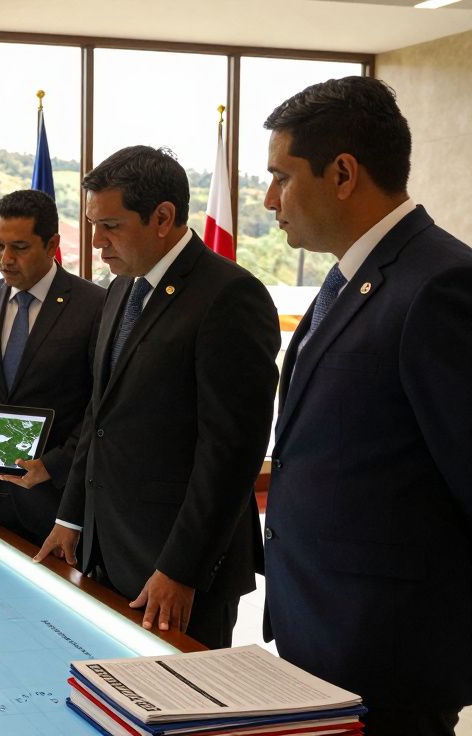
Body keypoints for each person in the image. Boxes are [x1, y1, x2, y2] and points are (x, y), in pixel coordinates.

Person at [261, 76, 472, 736]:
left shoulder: (440, 284)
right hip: (319, 636)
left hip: (390, 660)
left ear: (344, 174)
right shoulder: (350, 275)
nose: (269, 199)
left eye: (281, 177)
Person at [35, 145, 278, 650]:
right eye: (93, 225)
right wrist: (70, 517)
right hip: (106, 549)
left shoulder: (229, 295)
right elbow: (99, 416)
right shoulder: (121, 289)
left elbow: (230, 453)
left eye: (111, 226)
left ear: (163, 218)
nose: (96, 242)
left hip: (178, 571)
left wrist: (181, 568)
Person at [0, 189, 106, 546]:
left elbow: (99, 405)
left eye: (19, 247)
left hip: (57, 503)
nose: (5, 259)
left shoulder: (94, 304)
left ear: (52, 245)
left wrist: (52, 465)